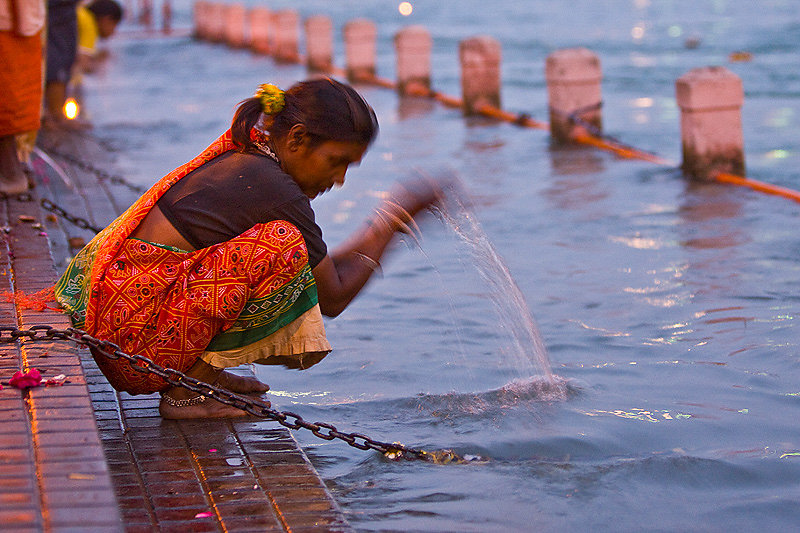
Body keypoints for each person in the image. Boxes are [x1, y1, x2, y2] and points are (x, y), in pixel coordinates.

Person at [54, 78, 445, 419]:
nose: (339, 179)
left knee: (286, 253)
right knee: (278, 247)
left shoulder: (252, 154)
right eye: (335, 161)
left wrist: (387, 225)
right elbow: (334, 295)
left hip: (122, 333)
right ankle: (187, 392)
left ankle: (198, 374)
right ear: (296, 139)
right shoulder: (274, 189)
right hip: (134, 346)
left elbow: (320, 271)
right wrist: (393, 221)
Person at [0, 0, 45, 194]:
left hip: (11, 22)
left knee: (7, 97)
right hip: (14, 20)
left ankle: (11, 173)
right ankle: (12, 170)